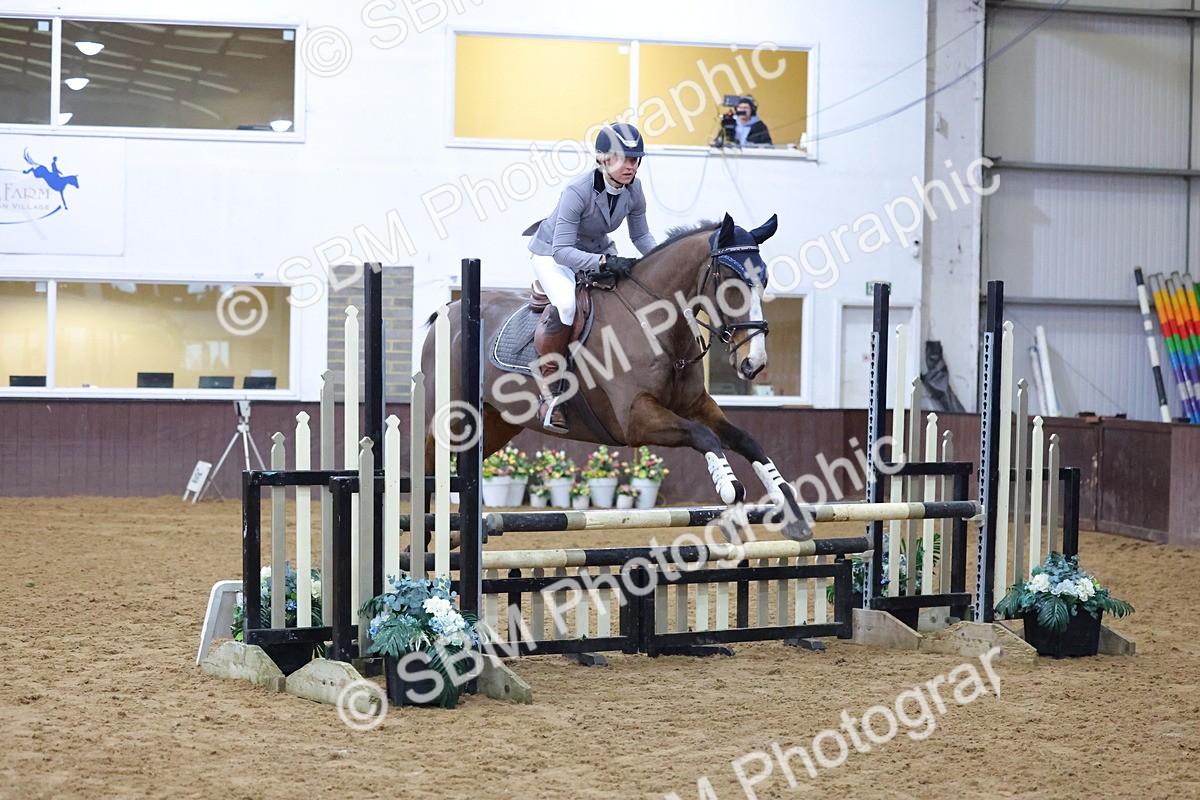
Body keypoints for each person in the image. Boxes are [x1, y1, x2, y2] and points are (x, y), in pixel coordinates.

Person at [525, 122, 657, 433]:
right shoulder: (577, 191)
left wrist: (660, 259)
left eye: (636, 160)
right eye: (624, 159)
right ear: (602, 159)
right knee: (568, 305)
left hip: (596, 252)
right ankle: (551, 393)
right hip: (552, 255)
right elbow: (562, 251)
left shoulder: (634, 190)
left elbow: (641, 236)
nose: (631, 166)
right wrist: (604, 261)